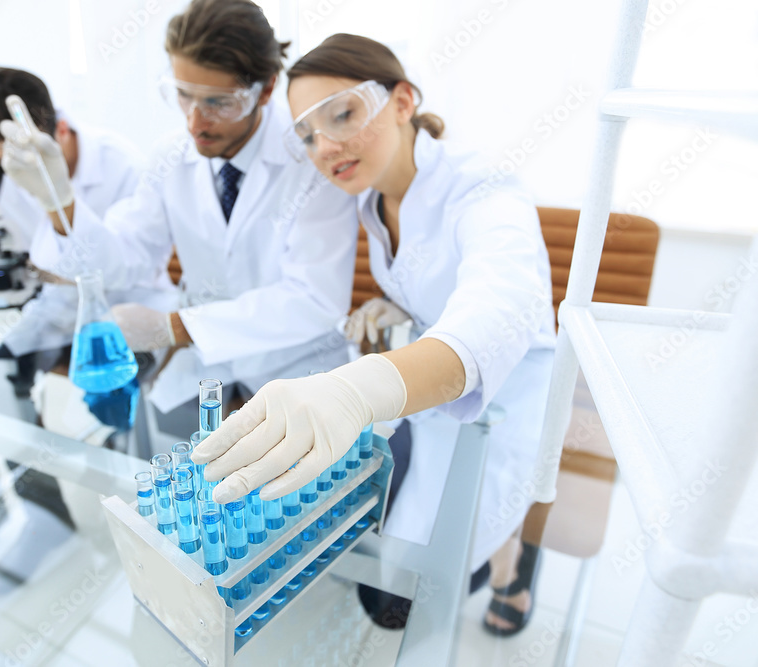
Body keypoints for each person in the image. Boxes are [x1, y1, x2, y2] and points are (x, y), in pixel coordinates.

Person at [191, 35, 556, 635]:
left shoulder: (483, 187)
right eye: (306, 136)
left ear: (404, 100)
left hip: (509, 400)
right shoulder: (370, 200)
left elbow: (502, 303)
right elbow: (430, 273)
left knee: (413, 596)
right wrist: (395, 301)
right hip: (430, 394)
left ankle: (515, 558)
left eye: (342, 115)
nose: (325, 146)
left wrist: (358, 388)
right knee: (385, 593)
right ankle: (495, 546)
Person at [0, 0, 357, 436]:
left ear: (265, 91)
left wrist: (176, 326)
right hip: (206, 369)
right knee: (169, 480)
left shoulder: (313, 159)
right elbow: (123, 257)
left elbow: (314, 300)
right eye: (183, 95)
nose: (195, 122)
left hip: (298, 371)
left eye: (218, 103)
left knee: (288, 493)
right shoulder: (172, 156)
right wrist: (59, 201)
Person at [0, 67, 146, 595]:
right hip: (50, 309)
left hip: (121, 313)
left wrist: (63, 251)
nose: (5, 171)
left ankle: (138, 519)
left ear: (55, 132)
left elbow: (128, 262)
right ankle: (45, 516)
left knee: (111, 399)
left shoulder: (118, 161)